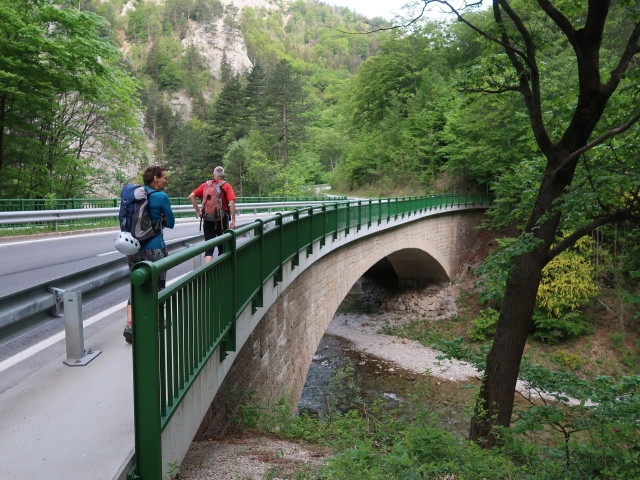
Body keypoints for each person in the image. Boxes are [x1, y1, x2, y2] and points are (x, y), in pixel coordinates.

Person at [123, 165, 175, 343]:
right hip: (155, 248)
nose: (166, 181)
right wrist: (161, 219)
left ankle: (130, 323)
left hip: (133, 248)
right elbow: (171, 223)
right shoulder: (161, 196)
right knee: (159, 285)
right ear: (155, 178)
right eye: (164, 177)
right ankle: (157, 321)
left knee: (136, 285)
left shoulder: (133, 194)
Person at [189, 166, 236, 262]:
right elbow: (231, 203)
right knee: (222, 248)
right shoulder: (226, 186)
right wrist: (234, 220)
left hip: (207, 219)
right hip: (222, 220)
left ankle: (208, 273)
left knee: (209, 249)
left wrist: (199, 212)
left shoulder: (206, 185)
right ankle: (221, 272)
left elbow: (191, 196)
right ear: (223, 175)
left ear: (214, 175)